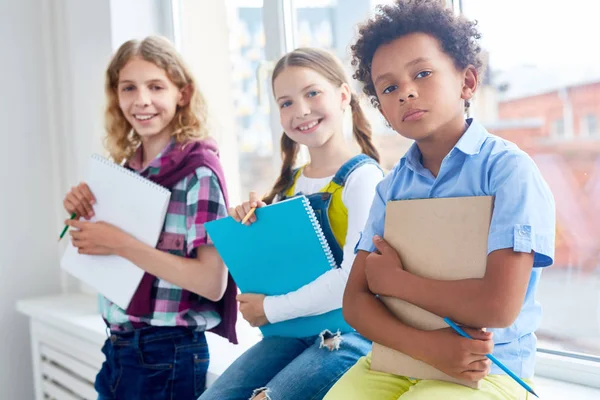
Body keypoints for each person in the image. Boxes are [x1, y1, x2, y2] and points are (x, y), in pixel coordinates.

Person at [324, 1, 556, 399]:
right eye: (389, 87)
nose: (407, 91)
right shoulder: (391, 187)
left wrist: (397, 282)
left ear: (467, 82)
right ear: (381, 108)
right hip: (400, 359)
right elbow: (355, 304)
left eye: (423, 73)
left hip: (488, 369)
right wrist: (429, 348)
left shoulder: (508, 172)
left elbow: (497, 307)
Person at [199, 47, 384, 400]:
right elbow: (282, 267)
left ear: (343, 95)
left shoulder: (364, 179)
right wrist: (252, 224)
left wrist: (268, 309)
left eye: (312, 93)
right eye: (285, 103)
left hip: (351, 333)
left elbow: (353, 280)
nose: (300, 110)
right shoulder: (289, 185)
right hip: (291, 331)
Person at [62, 36, 237, 399]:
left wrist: (121, 243)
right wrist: (83, 219)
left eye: (156, 86)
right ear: (117, 96)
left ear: (182, 94)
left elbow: (211, 283)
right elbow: (100, 255)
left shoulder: (200, 173)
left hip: (167, 352)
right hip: (119, 348)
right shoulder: (127, 172)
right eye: (129, 88)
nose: (141, 100)